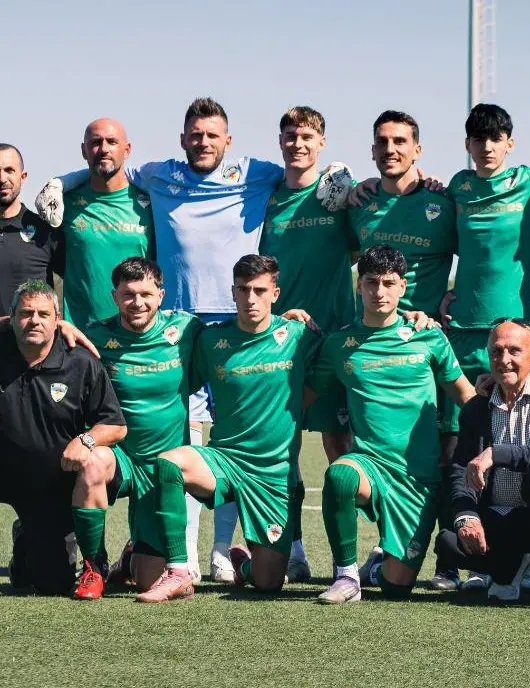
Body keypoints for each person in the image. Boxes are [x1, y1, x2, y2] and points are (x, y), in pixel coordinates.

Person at [36, 97, 352, 583]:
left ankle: (229, 552)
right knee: (181, 434)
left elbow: (302, 164)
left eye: (212, 135)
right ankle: (172, 553)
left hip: (239, 325)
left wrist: (344, 172)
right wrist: (65, 179)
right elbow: (108, 166)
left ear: (229, 141)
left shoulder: (256, 172)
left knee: (248, 438)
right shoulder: (159, 174)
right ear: (182, 139)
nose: (203, 142)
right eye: (195, 134)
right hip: (178, 327)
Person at [138, 255, 321, 599]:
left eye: (259, 290)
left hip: (272, 474)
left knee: (267, 583)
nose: (251, 299)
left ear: (275, 293)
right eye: (243, 290)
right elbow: (170, 375)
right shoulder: (210, 340)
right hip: (225, 461)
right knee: (169, 464)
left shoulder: (300, 335)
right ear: (233, 292)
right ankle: (178, 569)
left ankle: (243, 562)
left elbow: (342, 354)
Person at [309, 245, 474, 603]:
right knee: (341, 475)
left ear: (403, 286)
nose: (379, 292)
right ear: (359, 286)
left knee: (396, 587)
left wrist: (506, 422)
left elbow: (465, 395)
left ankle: (379, 563)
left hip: (418, 477)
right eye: (370, 283)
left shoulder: (427, 334)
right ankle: (347, 577)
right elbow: (304, 396)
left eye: (388, 283)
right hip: (370, 465)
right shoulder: (340, 344)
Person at [260, 105, 359, 582]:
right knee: (286, 448)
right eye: (289, 135)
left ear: (322, 143)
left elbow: (368, 241)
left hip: (338, 341)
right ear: (280, 142)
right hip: (284, 345)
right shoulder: (266, 200)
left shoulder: (339, 197)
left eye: (306, 136)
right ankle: (294, 550)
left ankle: (353, 557)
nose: (297, 144)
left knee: (344, 446)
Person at [74, 258, 202, 599]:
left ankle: (132, 557)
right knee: (93, 461)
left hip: (163, 470)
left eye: (146, 293)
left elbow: (236, 338)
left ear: (161, 295)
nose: (138, 303)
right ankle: (93, 566)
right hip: (121, 458)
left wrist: (286, 319)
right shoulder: (96, 336)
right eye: (128, 295)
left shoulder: (187, 330)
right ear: (114, 296)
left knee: (148, 581)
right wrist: (61, 325)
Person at [1, 280, 126, 596]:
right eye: (26, 313)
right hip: (6, 472)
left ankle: (27, 540)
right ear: (11, 317)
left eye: (44, 314)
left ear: (57, 321)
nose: (35, 321)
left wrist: (85, 440)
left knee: (51, 583)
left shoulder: (80, 362)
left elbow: (115, 425)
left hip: (52, 483)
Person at [436, 319, 530, 602]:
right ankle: (509, 566)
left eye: (514, 351)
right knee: (448, 542)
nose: (505, 360)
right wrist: (467, 516)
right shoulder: (476, 408)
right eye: (497, 352)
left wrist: (496, 453)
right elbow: (461, 468)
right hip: (499, 517)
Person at [349, 111, 457, 318]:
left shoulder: (443, 204)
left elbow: (481, 255)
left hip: (421, 335)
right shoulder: (359, 201)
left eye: (399, 141)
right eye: (382, 142)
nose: (389, 150)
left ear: (417, 151)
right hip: (366, 337)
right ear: (373, 151)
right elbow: (338, 260)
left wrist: (458, 292)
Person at [55, 119, 153, 329]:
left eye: (112, 142)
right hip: (82, 335)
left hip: (138, 332)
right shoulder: (65, 203)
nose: (104, 149)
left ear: (127, 150)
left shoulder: (150, 203)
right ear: (84, 150)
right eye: (95, 142)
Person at [0, 144, 61, 317]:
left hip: (30, 342)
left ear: (23, 176)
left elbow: (78, 282)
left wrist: (65, 324)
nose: (2, 178)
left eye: (9, 170)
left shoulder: (46, 231)